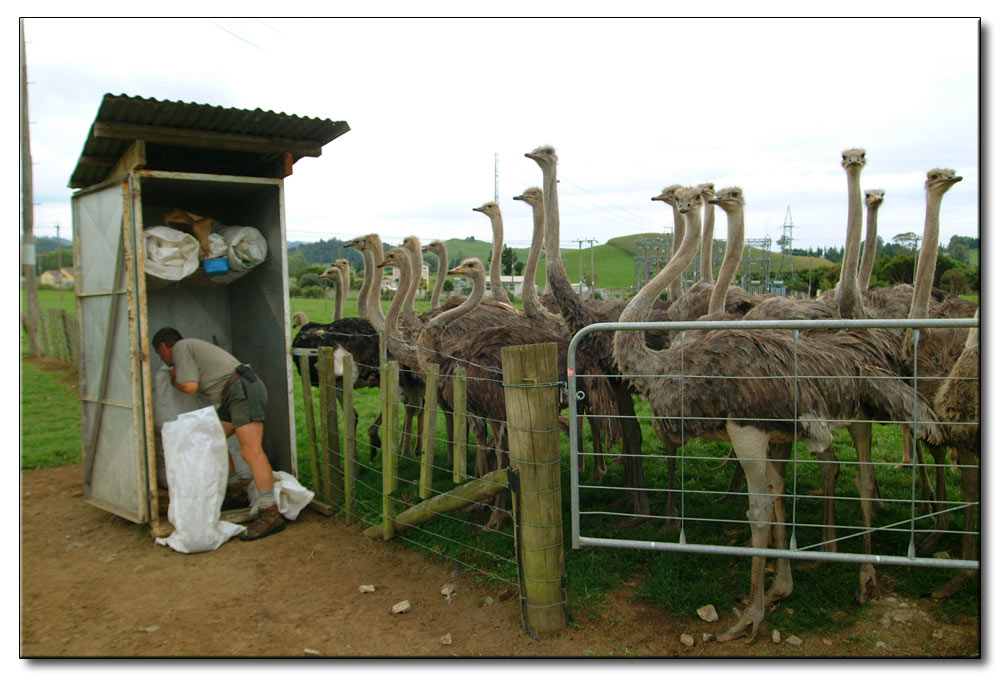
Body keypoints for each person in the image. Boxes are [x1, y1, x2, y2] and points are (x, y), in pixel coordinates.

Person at [151, 327, 284, 540]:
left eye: (159, 354)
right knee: (213, 437)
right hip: (235, 392)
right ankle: (235, 493)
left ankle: (270, 514)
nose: (163, 359)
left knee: (251, 452)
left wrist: (174, 380)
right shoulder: (190, 347)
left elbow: (190, 386)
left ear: (165, 346)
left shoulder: (181, 348)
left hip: (242, 391)